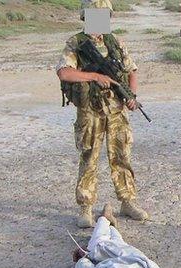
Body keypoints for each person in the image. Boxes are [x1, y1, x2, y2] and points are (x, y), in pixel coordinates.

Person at [56, 0, 148, 228]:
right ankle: (86, 208)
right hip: (91, 112)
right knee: (89, 158)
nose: (100, 18)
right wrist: (94, 77)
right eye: (95, 14)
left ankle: (127, 202)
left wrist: (131, 95)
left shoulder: (115, 41)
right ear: (86, 16)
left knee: (122, 156)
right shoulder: (76, 42)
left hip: (117, 111)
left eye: (103, 14)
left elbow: (131, 70)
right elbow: (64, 73)